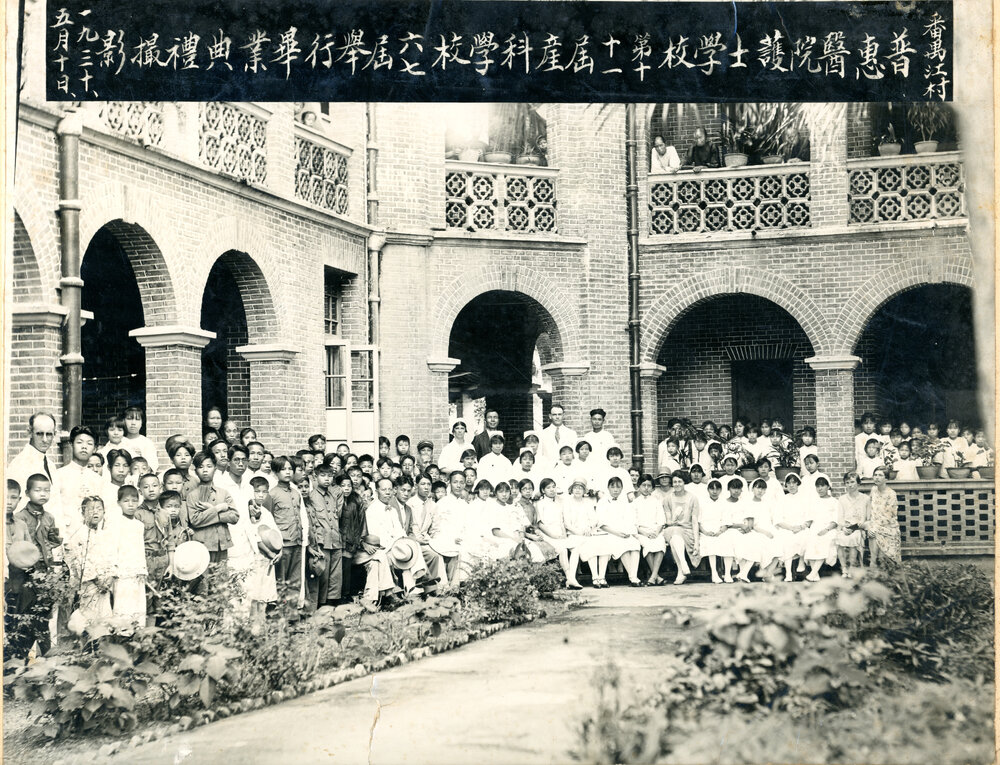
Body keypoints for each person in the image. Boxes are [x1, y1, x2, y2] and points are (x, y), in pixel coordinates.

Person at [182, 452, 239, 580]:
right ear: (196, 471)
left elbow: (234, 516)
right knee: (203, 583)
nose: (205, 470)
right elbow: (196, 520)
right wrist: (217, 508)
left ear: (215, 468)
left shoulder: (223, 493)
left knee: (221, 583)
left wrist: (210, 512)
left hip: (222, 544)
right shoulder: (193, 495)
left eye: (209, 466)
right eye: (201, 467)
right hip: (203, 545)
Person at [304, 464, 343, 609]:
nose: (327, 479)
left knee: (335, 576)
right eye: (323, 475)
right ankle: (319, 605)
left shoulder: (333, 496)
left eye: (330, 476)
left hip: (335, 539)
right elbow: (312, 521)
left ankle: (331, 604)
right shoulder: (312, 496)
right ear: (315, 476)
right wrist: (314, 544)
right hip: (321, 541)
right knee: (321, 574)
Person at [535, 478, 584, 589]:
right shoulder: (540, 503)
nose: (552, 490)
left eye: (553, 486)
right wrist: (552, 535)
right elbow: (540, 524)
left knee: (575, 548)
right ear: (543, 490)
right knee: (563, 550)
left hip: (560, 533)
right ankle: (569, 578)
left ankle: (571, 577)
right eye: (548, 488)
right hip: (547, 534)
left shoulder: (560, 502)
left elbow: (562, 520)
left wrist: (564, 534)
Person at [55, 426, 105, 535]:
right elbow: (55, 511)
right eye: (80, 442)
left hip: (92, 537)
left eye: (89, 443)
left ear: (95, 448)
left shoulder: (98, 480)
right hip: (67, 535)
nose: (84, 447)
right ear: (71, 445)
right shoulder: (59, 475)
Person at [7, 412, 60, 514]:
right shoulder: (19, 464)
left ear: (55, 434)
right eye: (39, 434)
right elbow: (16, 506)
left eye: (49, 434)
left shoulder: (50, 465)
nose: (45, 439)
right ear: (30, 432)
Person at [268, 456, 304, 604]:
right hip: (282, 545)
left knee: (295, 582)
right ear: (276, 472)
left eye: (290, 469)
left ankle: (293, 619)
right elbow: (267, 521)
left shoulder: (296, 493)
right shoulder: (272, 494)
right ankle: (280, 619)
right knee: (281, 583)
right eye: (283, 469)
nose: (288, 472)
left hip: (297, 542)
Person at [595, 477, 643, 586]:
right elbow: (601, 524)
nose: (615, 490)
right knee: (622, 546)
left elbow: (630, 520)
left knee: (634, 544)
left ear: (622, 489)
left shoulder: (624, 502)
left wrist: (628, 532)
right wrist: (617, 533)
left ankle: (633, 577)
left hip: (624, 532)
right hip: (609, 533)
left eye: (618, 487)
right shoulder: (602, 502)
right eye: (613, 487)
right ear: (608, 488)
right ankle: (633, 578)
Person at [113, 485, 148, 626]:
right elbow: (113, 548)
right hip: (122, 573)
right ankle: (122, 637)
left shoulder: (139, 525)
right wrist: (114, 570)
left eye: (134, 501)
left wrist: (142, 569)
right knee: (123, 607)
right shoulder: (116, 524)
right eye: (126, 501)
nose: (131, 504)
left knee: (138, 607)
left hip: (137, 572)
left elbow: (140, 549)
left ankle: (137, 637)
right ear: (119, 503)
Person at [662, 471, 701, 585]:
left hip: (687, 530)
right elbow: (668, 521)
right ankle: (683, 564)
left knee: (675, 539)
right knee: (674, 532)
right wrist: (674, 518)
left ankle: (681, 572)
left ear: (684, 483)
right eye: (674, 482)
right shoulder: (668, 499)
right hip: (672, 528)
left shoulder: (693, 498)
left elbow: (694, 521)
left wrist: (697, 542)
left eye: (680, 481)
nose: (677, 484)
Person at [772, 473, 812, 581]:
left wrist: (801, 527)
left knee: (806, 536)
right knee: (786, 540)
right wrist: (791, 528)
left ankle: (801, 563)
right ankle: (788, 573)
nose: (791, 485)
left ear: (798, 484)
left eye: (794, 483)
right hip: (787, 528)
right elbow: (778, 520)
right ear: (786, 485)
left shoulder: (805, 499)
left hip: (801, 528)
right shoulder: (782, 499)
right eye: (789, 483)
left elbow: (809, 518)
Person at [862, 466, 901, 567]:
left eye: (880, 475)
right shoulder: (873, 490)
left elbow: (890, 516)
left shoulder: (891, 494)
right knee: (872, 532)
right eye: (875, 475)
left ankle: (879, 561)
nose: (877, 478)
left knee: (874, 531)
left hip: (888, 526)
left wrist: (874, 526)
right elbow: (870, 508)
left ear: (886, 479)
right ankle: (873, 563)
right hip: (875, 524)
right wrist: (869, 524)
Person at [835, 472, 869, 577]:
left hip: (859, 528)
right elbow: (839, 518)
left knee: (854, 537)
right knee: (839, 538)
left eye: (853, 482)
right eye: (847, 482)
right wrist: (844, 528)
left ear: (858, 483)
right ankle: (844, 568)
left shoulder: (866, 499)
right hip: (846, 527)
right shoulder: (842, 499)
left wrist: (861, 524)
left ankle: (851, 568)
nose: (850, 485)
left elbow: (868, 518)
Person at [696, 478, 729, 583]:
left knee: (728, 541)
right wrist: (705, 532)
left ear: (721, 490)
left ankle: (727, 574)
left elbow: (726, 521)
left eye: (717, 489)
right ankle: (714, 573)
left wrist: (720, 531)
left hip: (720, 531)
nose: (715, 492)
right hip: (705, 531)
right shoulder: (702, 502)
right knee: (710, 542)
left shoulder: (724, 502)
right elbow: (698, 522)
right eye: (712, 489)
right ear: (708, 490)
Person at [122, 406, 158, 473]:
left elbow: (152, 466)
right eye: (129, 419)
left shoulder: (147, 443)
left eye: (137, 419)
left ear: (142, 422)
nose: (133, 423)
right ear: (124, 421)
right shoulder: (120, 441)